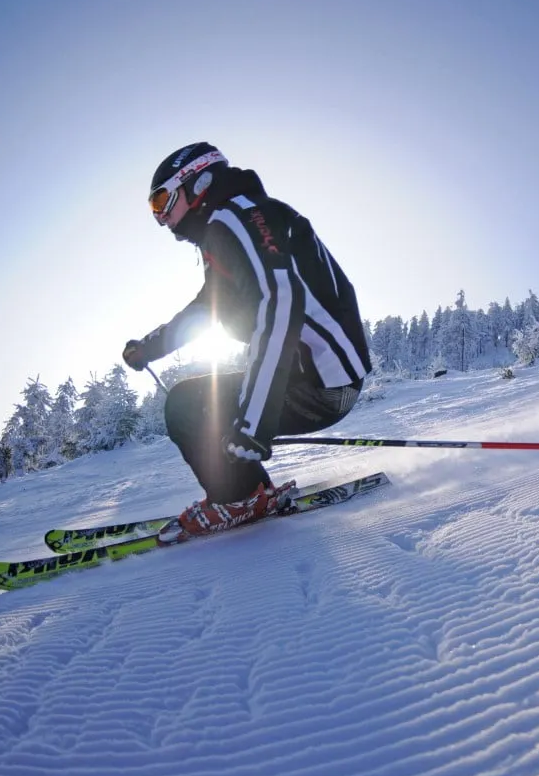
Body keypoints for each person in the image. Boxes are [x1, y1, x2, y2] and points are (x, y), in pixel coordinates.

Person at [123, 142, 372, 543]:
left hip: (322, 381)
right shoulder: (231, 223)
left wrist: (255, 420)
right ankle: (249, 493)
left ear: (199, 182)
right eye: (154, 209)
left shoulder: (235, 217)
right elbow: (208, 307)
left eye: (163, 201)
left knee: (189, 404)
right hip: (316, 375)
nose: (162, 218)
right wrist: (150, 347)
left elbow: (281, 304)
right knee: (198, 400)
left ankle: (239, 498)